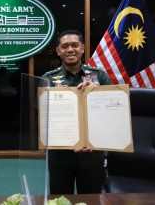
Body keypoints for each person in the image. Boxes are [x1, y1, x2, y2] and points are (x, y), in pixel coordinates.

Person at [42, 29, 112, 194]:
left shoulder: (99, 77)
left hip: (92, 151)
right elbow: (43, 116)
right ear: (58, 51)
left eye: (75, 45)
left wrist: (98, 94)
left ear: (83, 48)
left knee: (91, 198)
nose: (70, 49)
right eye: (65, 46)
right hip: (60, 153)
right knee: (60, 199)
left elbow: (111, 112)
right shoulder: (47, 78)